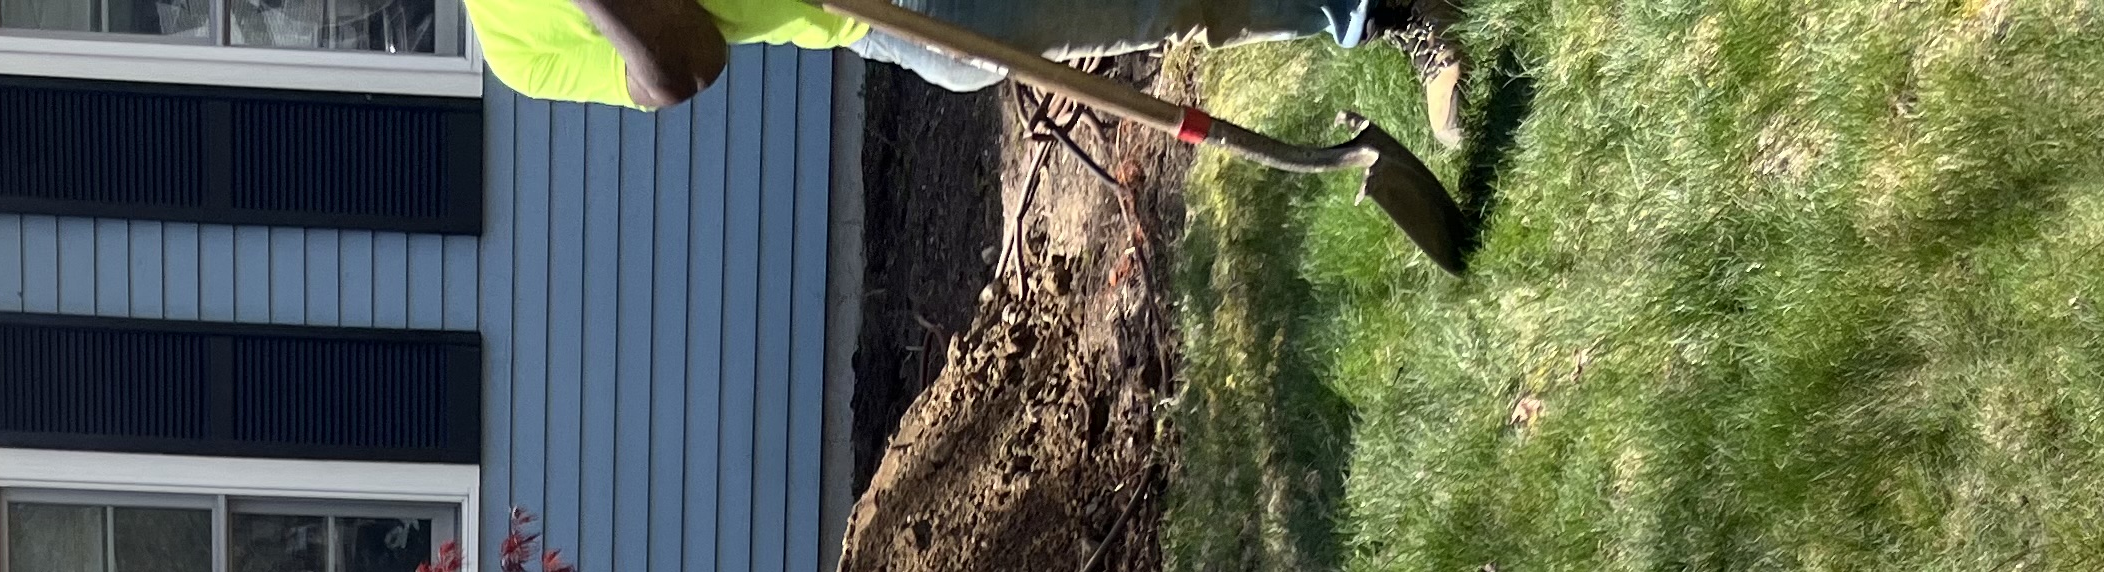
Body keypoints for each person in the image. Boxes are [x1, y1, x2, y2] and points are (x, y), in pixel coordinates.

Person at [475, 0, 1464, 146]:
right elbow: (686, 67)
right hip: (864, 19)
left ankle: (1389, 11)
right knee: (1161, 8)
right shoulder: (513, 51)